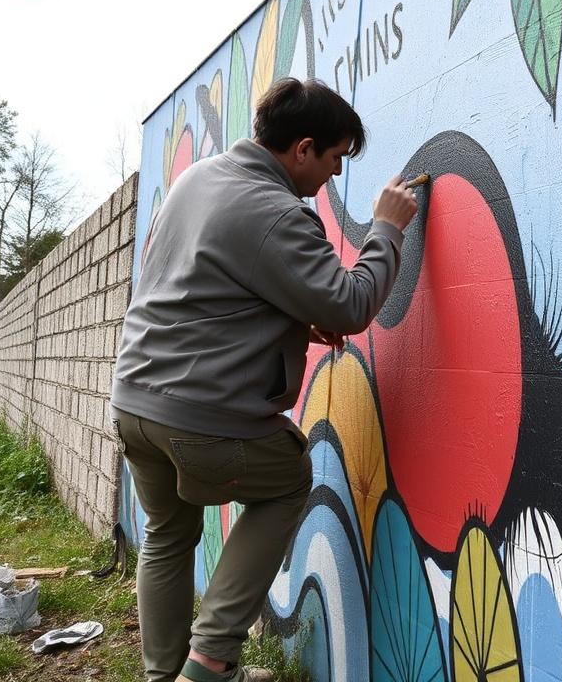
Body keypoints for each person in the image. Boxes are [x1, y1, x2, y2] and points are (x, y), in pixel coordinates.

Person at [109, 77, 418, 682]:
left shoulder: (199, 178)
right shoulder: (277, 212)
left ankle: (164, 675)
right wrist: (386, 229)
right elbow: (351, 305)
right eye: (333, 159)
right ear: (302, 149)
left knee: (168, 533)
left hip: (135, 403)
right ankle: (210, 661)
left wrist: (291, 323)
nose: (334, 175)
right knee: (287, 479)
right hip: (198, 416)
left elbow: (206, 287)